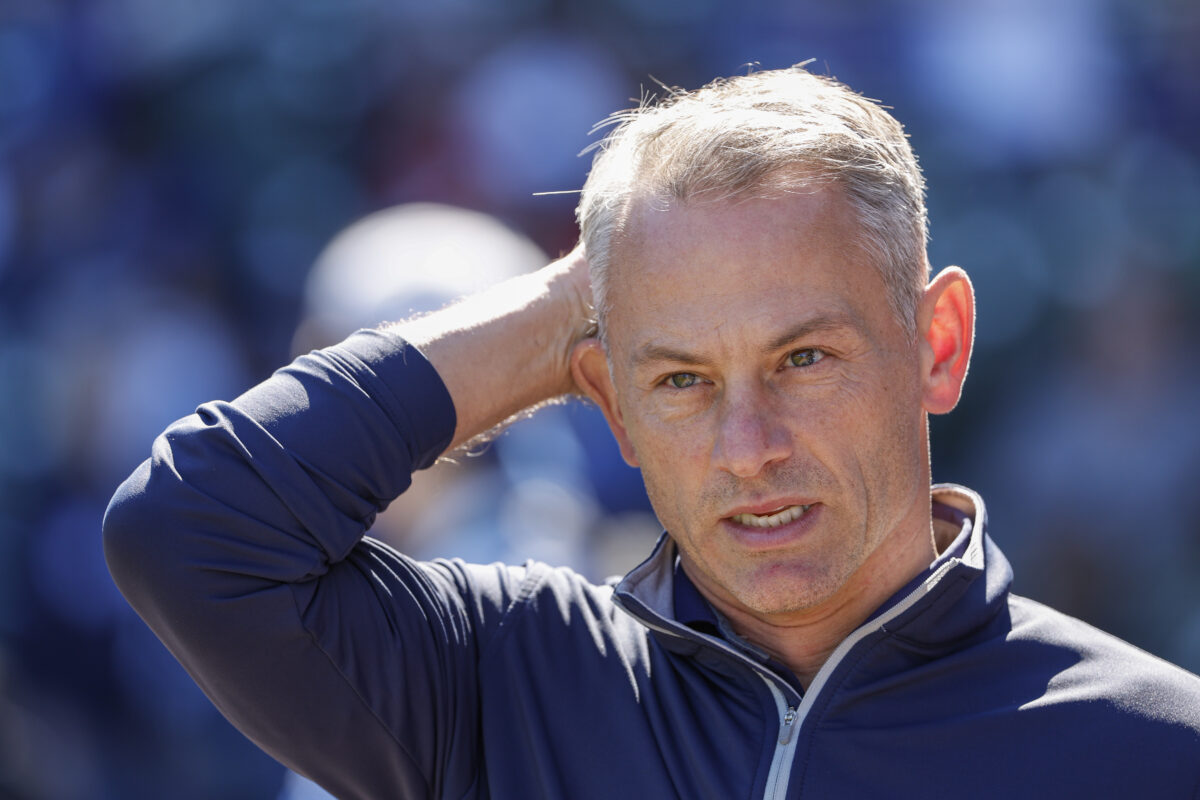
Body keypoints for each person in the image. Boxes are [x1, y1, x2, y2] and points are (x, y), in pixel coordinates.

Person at [103, 66, 1200, 799]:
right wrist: (575, 300)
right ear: (609, 399)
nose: (748, 446)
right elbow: (187, 529)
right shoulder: (499, 684)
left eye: (803, 359)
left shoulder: (1157, 749)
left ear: (939, 344)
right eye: (680, 379)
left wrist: (660, 302)